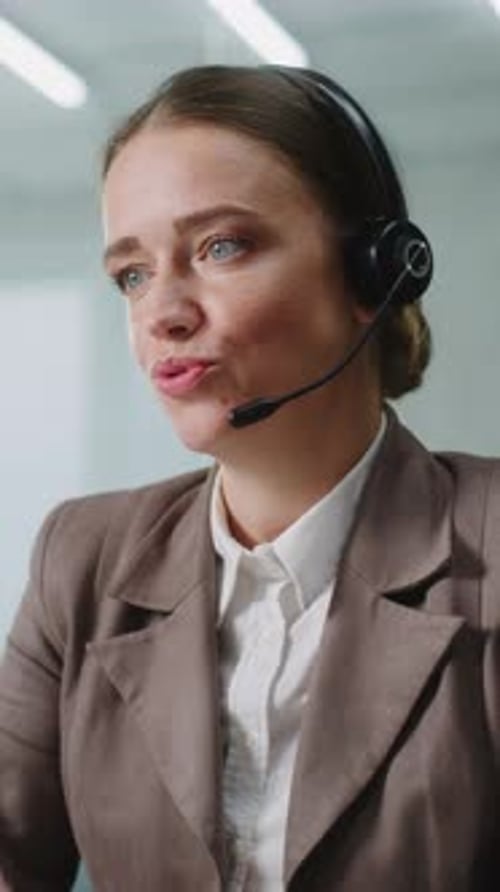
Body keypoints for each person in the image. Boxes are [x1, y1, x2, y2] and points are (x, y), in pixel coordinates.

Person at [0, 63, 499, 892]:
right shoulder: (81, 559)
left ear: (375, 274)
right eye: (132, 273)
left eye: (219, 246)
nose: (162, 311)